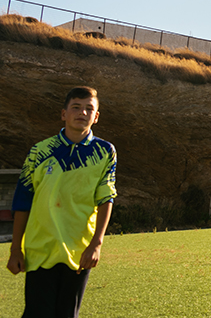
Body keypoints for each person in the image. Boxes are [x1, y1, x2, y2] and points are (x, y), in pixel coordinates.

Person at [6, 86, 117, 318]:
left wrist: (96, 244)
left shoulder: (105, 152)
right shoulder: (39, 151)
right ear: (63, 114)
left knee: (67, 314)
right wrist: (16, 249)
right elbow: (22, 202)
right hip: (40, 249)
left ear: (96, 116)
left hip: (79, 251)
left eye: (89, 109)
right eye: (76, 107)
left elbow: (106, 198)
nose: (82, 113)